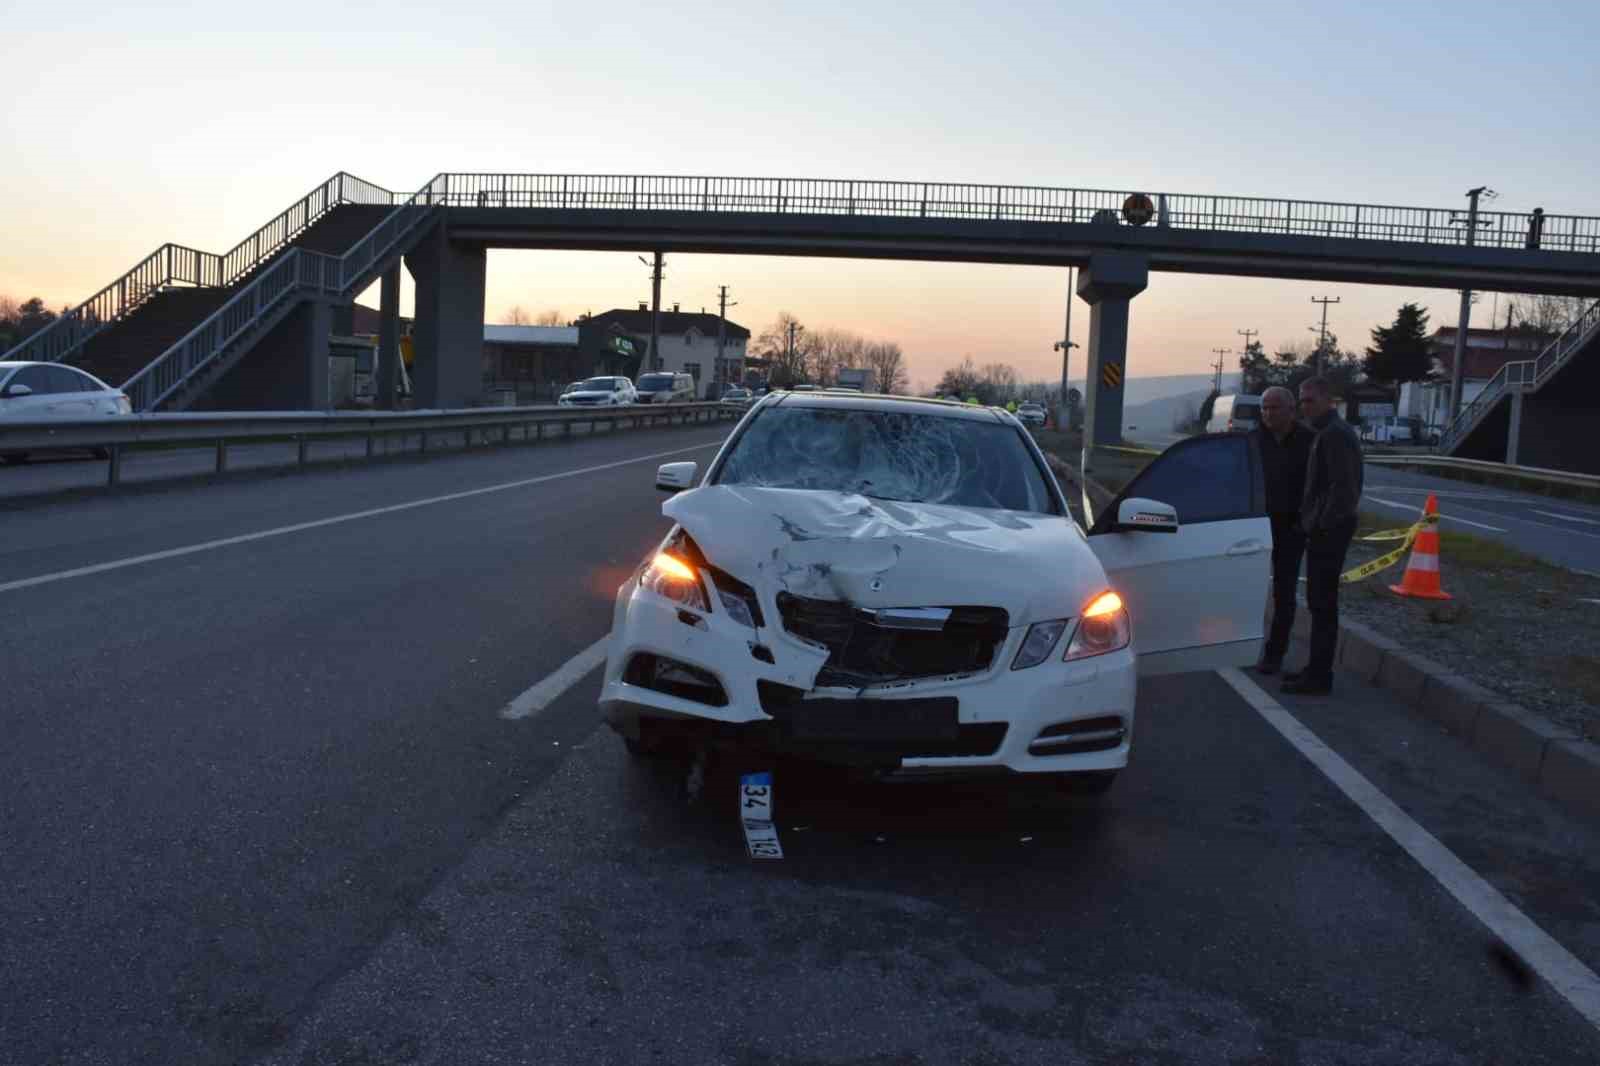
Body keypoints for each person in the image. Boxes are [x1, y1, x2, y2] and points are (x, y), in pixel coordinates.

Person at [1283, 376, 1364, 694]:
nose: (1304, 407)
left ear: (1328, 401)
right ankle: (1315, 669)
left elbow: (1344, 490)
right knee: (1319, 603)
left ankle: (1319, 676)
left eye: (1309, 400)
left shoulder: (1334, 435)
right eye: (1301, 401)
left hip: (1330, 532)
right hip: (1324, 528)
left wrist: (1319, 524)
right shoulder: (1326, 432)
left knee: (1323, 603)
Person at [1250, 387, 1312, 675]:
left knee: (1284, 593)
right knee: (1246, 588)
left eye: (1274, 408)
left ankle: (1274, 654)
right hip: (1254, 526)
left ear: (1291, 410)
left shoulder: (1309, 442)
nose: (1268, 413)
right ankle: (1238, 645)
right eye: (1264, 408)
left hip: (1291, 528)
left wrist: (1305, 521)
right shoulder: (1252, 442)